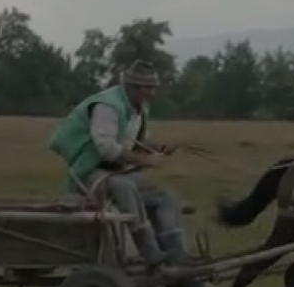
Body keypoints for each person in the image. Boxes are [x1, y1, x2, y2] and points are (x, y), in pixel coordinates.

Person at [48, 60, 194, 268]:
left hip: (117, 171)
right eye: (148, 88)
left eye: (153, 88)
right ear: (134, 87)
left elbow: (136, 140)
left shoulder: (139, 108)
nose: (152, 93)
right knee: (124, 188)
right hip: (91, 172)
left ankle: (176, 254)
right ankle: (149, 251)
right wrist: (146, 160)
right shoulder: (108, 106)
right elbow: (106, 148)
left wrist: (158, 147)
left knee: (166, 197)